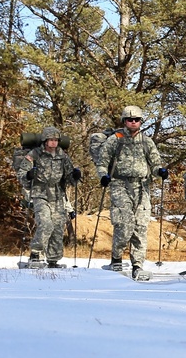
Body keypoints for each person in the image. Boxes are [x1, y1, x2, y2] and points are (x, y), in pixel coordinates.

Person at [95, 105, 166, 278]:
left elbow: (155, 163)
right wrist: (103, 176)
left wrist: (160, 171)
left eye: (136, 120)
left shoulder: (146, 141)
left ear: (141, 122)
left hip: (142, 187)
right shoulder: (115, 139)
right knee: (124, 224)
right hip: (120, 184)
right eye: (129, 120)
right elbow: (102, 161)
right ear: (124, 121)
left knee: (141, 226)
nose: (133, 123)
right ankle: (116, 258)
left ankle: (137, 264)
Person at [22, 126, 81, 269]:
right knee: (45, 223)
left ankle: (53, 259)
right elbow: (22, 174)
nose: (54, 143)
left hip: (57, 194)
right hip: (40, 192)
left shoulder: (62, 156)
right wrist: (28, 175)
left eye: (56, 140)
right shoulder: (35, 154)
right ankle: (35, 253)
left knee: (58, 226)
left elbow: (69, 178)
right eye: (51, 140)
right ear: (45, 140)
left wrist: (75, 176)